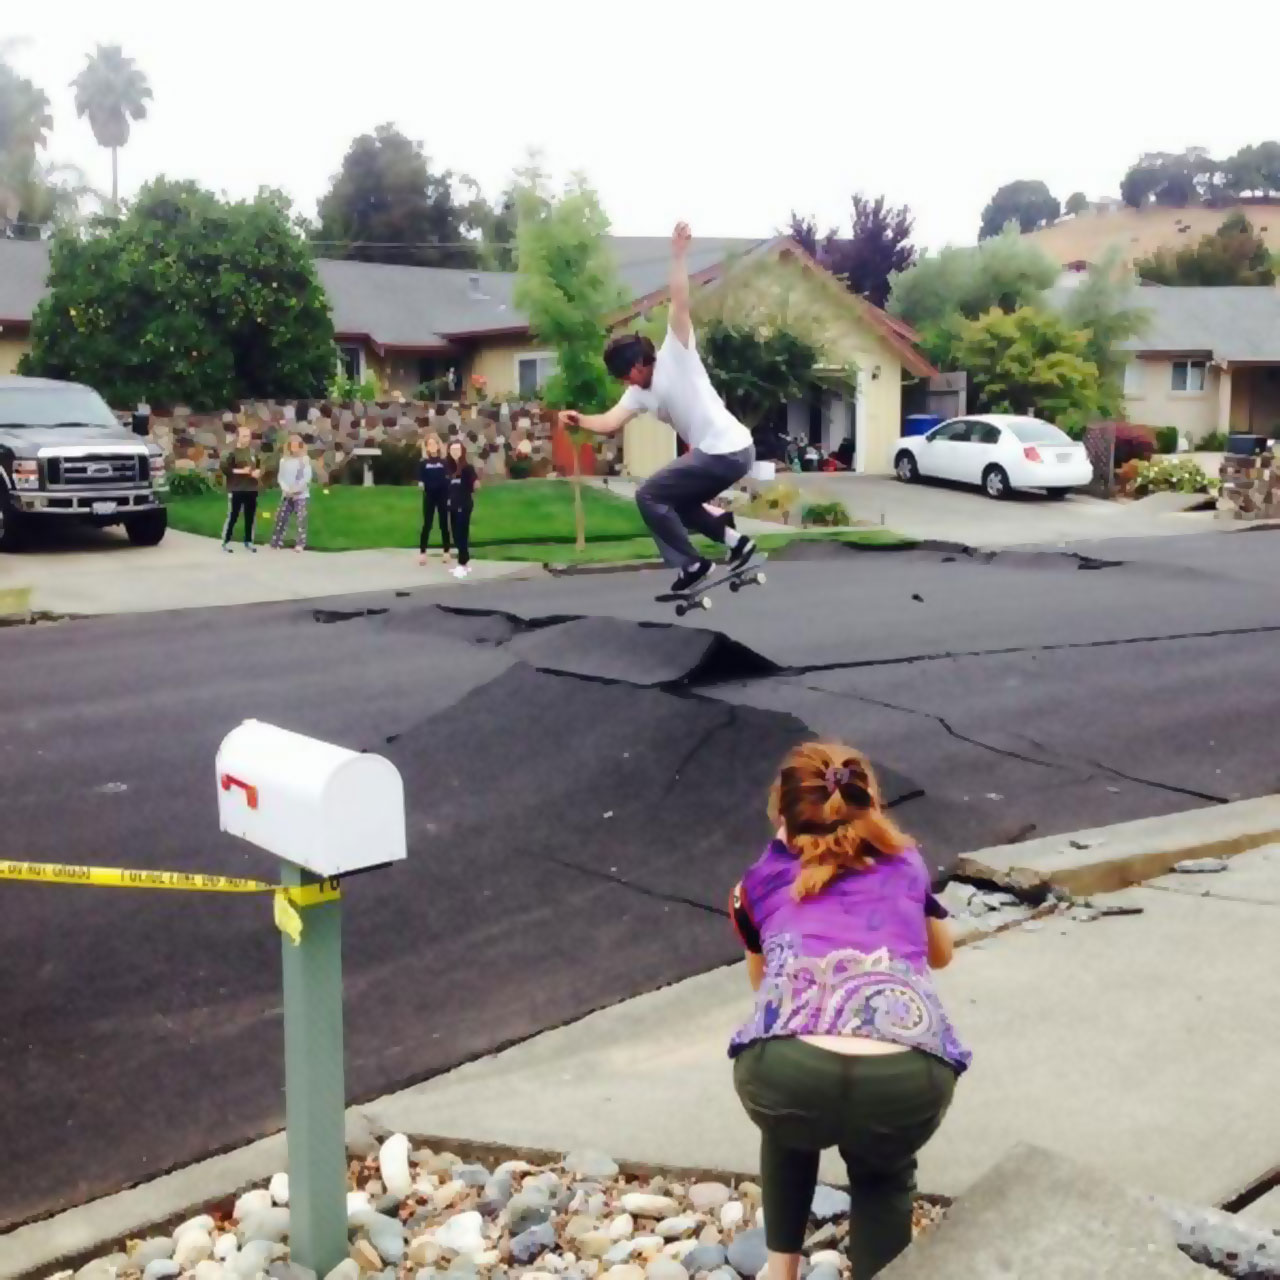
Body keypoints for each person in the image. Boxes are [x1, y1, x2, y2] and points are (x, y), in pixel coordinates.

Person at [729, 742, 969, 1280]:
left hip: (788, 1073)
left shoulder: (754, 885)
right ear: (868, 801)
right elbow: (941, 955)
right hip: (908, 1071)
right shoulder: (906, 864)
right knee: (883, 1174)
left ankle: (782, 1270)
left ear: (782, 813)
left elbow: (765, 987)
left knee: (789, 1128)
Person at [559, 222, 757, 593]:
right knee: (675, 503)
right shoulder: (638, 394)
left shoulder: (676, 353)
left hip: (726, 449)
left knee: (648, 494)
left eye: (624, 377)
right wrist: (579, 418)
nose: (625, 385)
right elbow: (609, 422)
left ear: (637, 365)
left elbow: (679, 300)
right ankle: (739, 545)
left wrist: (679, 255)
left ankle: (694, 565)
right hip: (728, 452)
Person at [220, 424, 262, 553]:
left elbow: (258, 465)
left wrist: (257, 472)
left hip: (251, 488)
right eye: (244, 436)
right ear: (237, 437)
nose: (247, 439)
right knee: (233, 515)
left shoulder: (252, 452)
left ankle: (249, 540)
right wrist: (241, 471)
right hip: (236, 488)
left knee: (250, 516)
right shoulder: (231, 452)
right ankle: (226, 541)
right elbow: (225, 468)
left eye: (248, 436)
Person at [270, 434, 312, 552]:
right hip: (287, 493)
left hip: (300, 494)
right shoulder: (284, 460)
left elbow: (306, 477)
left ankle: (300, 543)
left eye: (296, 446)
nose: (294, 449)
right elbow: (281, 477)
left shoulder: (304, 460)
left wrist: (297, 489)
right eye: (292, 446)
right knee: (281, 517)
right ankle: (276, 541)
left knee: (301, 519)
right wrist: (286, 489)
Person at [445, 439, 478, 579]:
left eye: (458, 449)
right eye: (453, 450)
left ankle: (462, 563)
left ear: (462, 451)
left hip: (463, 504)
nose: (455, 452)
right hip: (451, 505)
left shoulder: (467, 468)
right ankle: (464, 560)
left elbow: (475, 485)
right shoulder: (447, 468)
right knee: (456, 534)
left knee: (461, 533)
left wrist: (471, 485)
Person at [418, 432, 452, 566]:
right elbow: (420, 478)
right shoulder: (423, 463)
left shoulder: (444, 462)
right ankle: (422, 553)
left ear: (438, 446)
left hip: (442, 496)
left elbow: (448, 478)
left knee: (444, 523)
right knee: (427, 524)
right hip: (429, 496)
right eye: (429, 444)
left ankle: (446, 552)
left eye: (434, 443)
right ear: (426, 447)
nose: (432, 446)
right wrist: (421, 483)